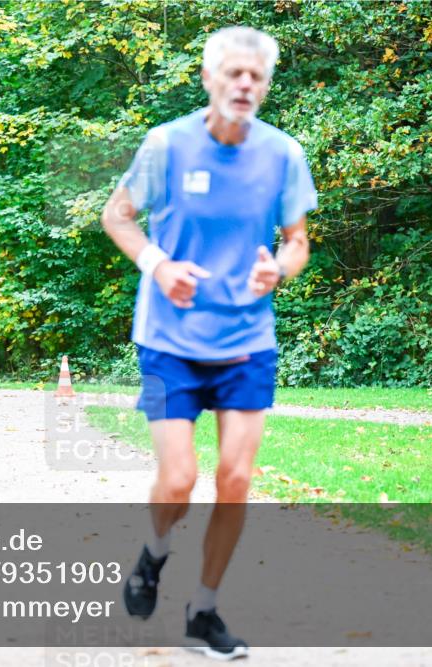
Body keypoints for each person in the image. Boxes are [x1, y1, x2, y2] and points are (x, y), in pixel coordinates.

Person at [100, 26, 316, 660]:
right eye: (234, 74)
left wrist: (279, 268)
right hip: (170, 338)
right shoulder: (167, 145)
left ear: (266, 86)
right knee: (178, 479)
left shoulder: (283, 155)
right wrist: (159, 267)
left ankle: (203, 609)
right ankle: (154, 554)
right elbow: (117, 216)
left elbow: (297, 239)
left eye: (257, 76)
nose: (245, 85)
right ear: (209, 79)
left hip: (247, 337)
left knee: (236, 478)